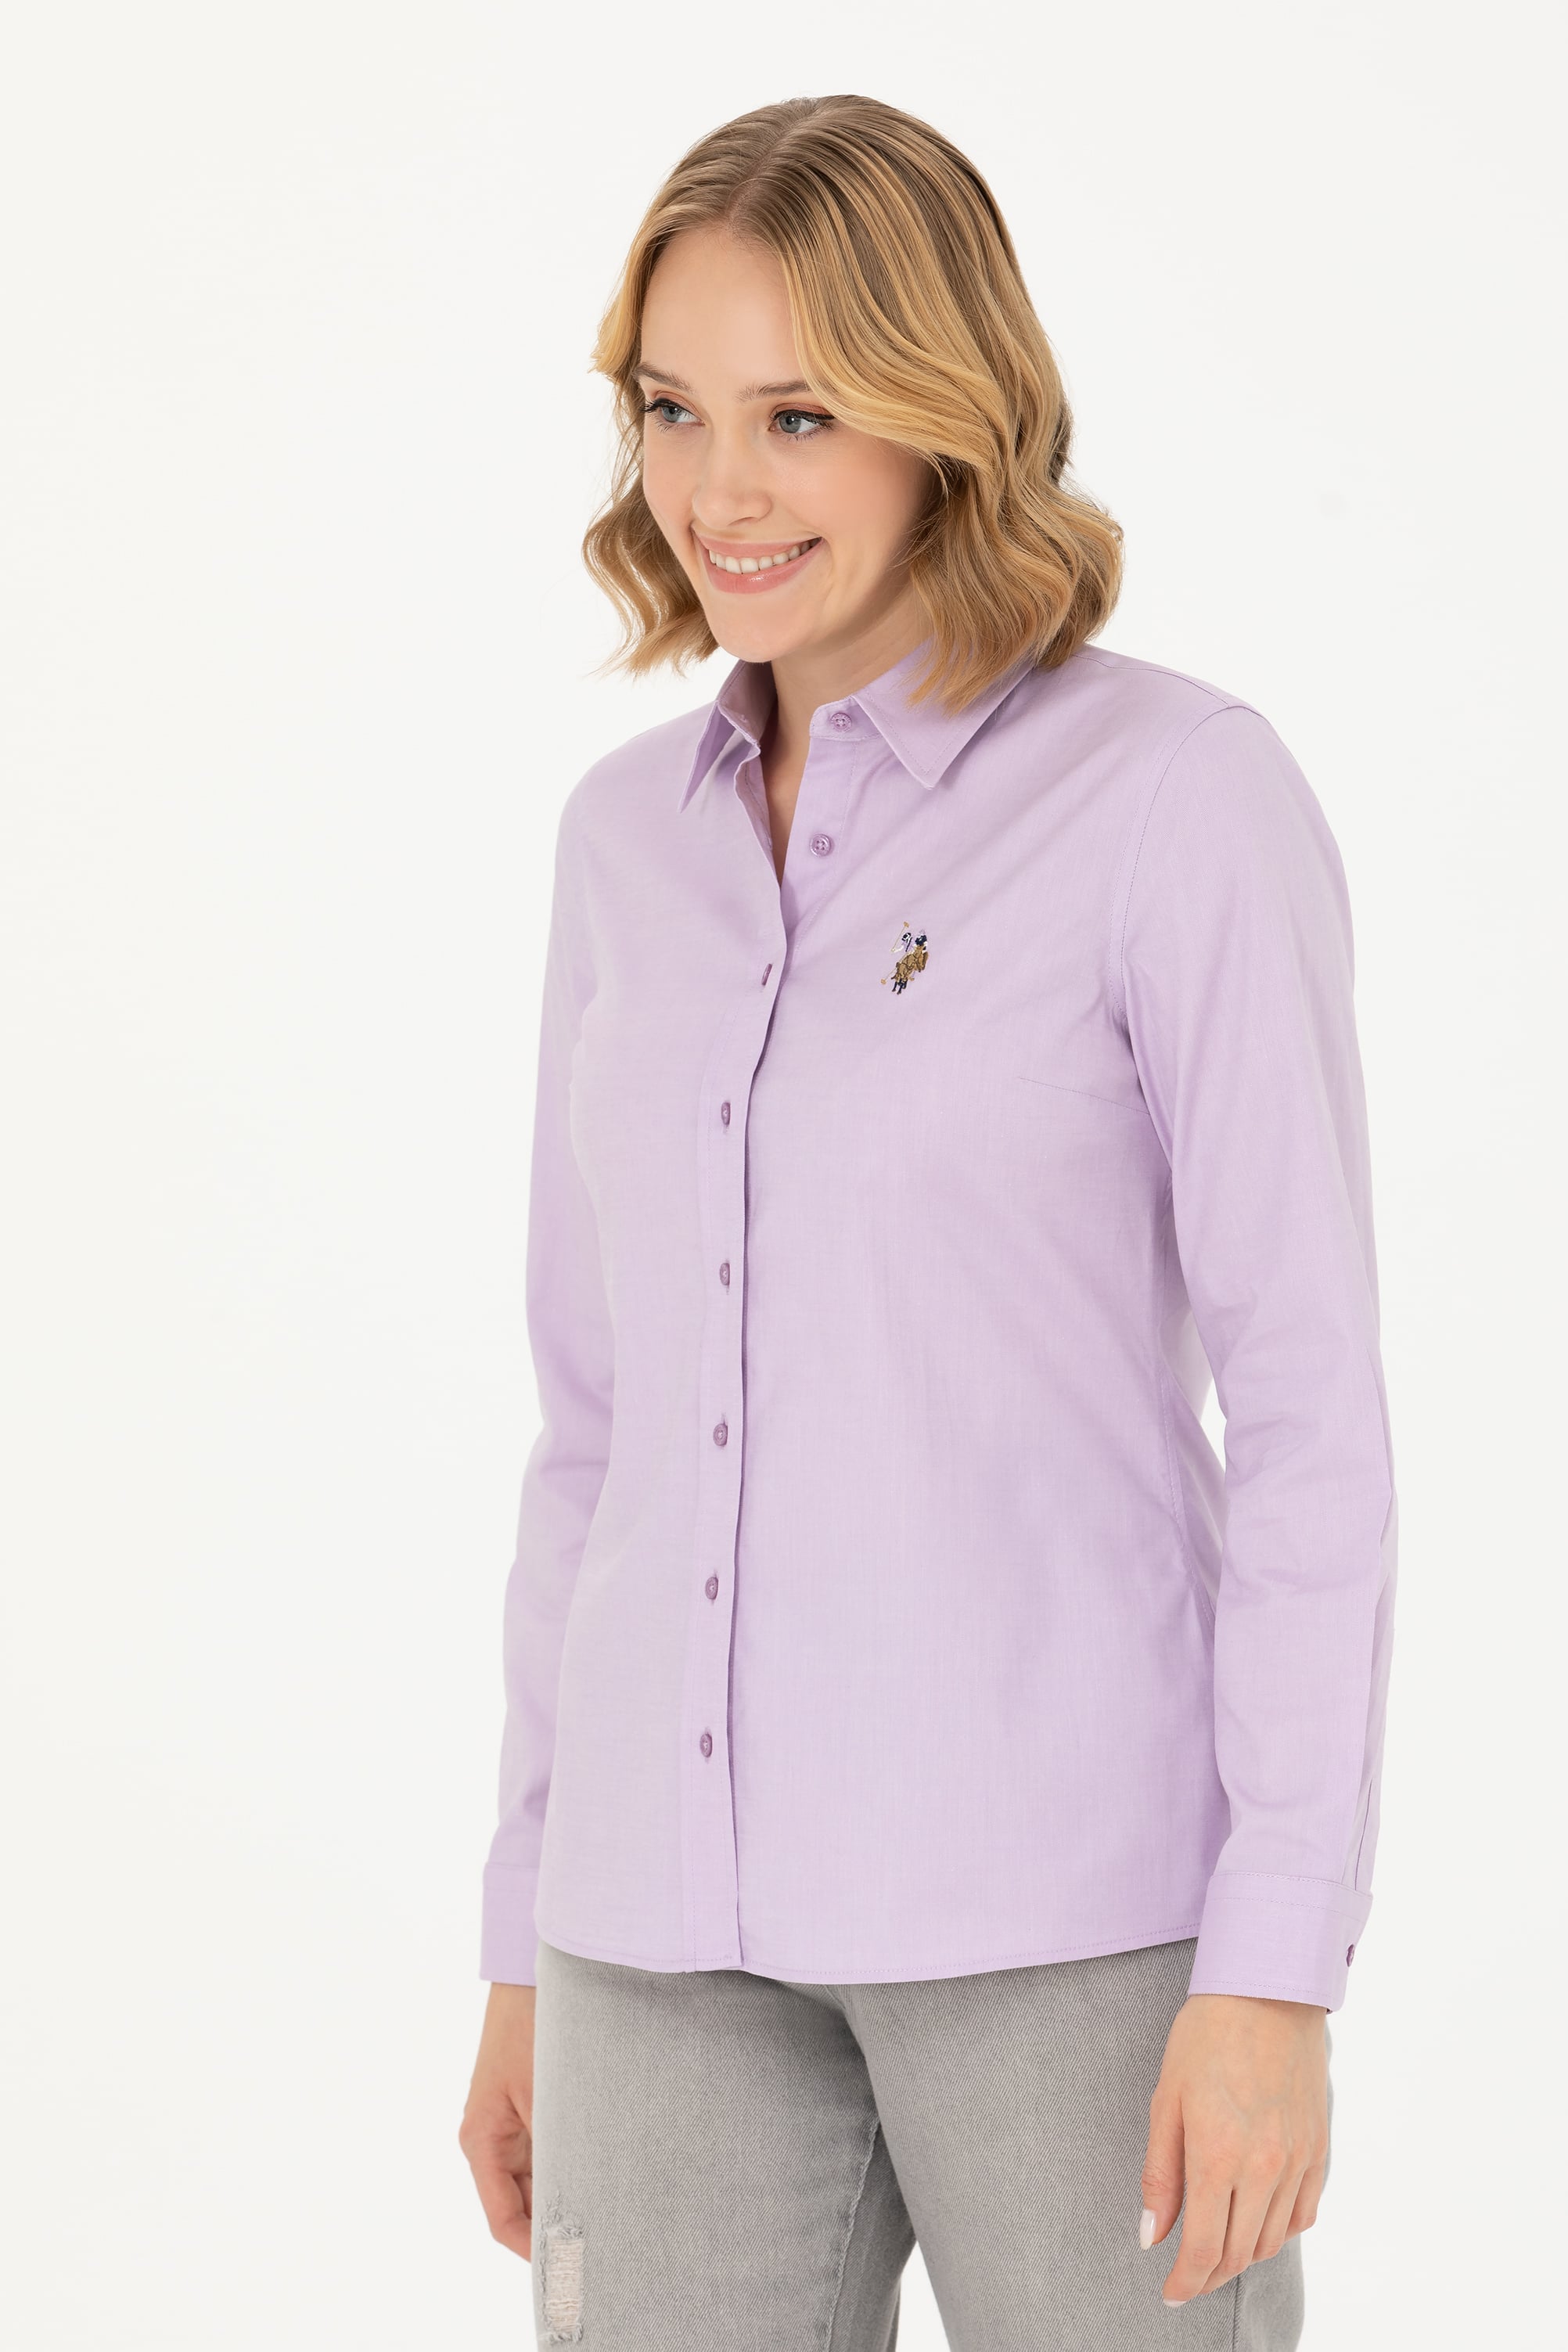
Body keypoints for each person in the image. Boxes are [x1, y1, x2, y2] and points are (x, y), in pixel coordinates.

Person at [458, 93, 1398, 2352]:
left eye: (798, 413)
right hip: (658, 1938)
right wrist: (521, 1940)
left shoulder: (1171, 799)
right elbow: (593, 1431)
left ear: (946, 413)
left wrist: (1273, 1965)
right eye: (671, 410)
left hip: (1068, 1925)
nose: (718, 490)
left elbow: (1306, 1416)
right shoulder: (624, 846)